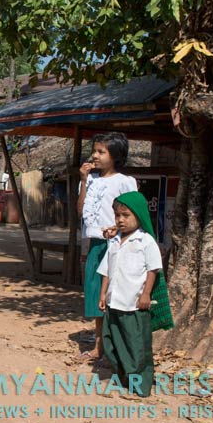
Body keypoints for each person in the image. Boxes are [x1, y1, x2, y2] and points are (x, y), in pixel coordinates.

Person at [98, 191, 168, 397]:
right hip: (114, 302)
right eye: (117, 215)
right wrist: (103, 294)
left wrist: (145, 294)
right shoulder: (113, 242)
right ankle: (124, 378)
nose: (120, 220)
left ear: (138, 215)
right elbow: (106, 271)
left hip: (133, 304)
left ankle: (140, 384)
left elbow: (153, 270)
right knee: (111, 343)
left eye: (126, 215)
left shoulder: (145, 242)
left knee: (136, 346)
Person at [76, 132, 137, 361]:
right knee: (95, 294)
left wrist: (116, 228)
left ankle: (116, 345)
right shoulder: (90, 180)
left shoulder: (124, 182)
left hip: (116, 244)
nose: (95, 155)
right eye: (95, 151)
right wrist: (83, 181)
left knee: (115, 294)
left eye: (102, 152)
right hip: (95, 243)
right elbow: (80, 210)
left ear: (116, 155)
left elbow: (132, 214)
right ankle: (99, 345)